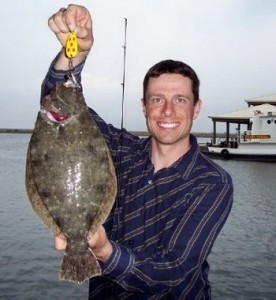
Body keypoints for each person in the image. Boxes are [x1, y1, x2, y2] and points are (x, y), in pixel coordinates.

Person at [44, 4, 233, 299]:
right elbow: (56, 106)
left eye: (180, 100)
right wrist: (76, 52)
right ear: (143, 106)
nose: (168, 110)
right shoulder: (120, 151)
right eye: (157, 99)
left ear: (197, 108)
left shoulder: (212, 182)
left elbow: (174, 271)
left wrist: (105, 251)